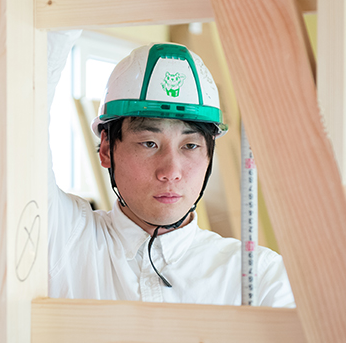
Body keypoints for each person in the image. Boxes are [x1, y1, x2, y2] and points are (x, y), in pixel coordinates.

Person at [48, 41, 295, 306]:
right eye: (149, 143)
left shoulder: (261, 278)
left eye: (190, 146)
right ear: (107, 148)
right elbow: (22, 95)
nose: (171, 172)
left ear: (210, 156)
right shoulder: (65, 240)